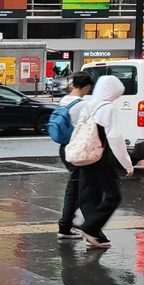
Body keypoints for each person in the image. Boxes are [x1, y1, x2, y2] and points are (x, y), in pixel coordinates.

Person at [75, 75, 134, 249]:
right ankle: (91, 229)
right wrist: (127, 163)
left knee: (88, 195)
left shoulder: (88, 105)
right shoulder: (108, 108)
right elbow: (115, 137)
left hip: (86, 155)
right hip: (102, 158)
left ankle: (93, 234)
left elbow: (79, 129)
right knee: (113, 196)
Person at [56, 71, 93, 240]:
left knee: (78, 186)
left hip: (65, 148)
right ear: (85, 86)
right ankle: (72, 227)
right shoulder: (83, 105)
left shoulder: (64, 101)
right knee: (78, 189)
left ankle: (69, 225)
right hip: (77, 149)